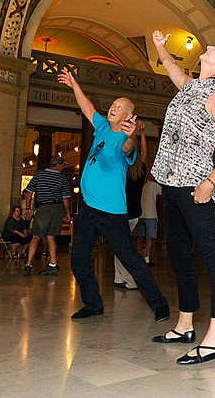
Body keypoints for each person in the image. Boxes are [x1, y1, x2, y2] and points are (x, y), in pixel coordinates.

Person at [150, 31, 215, 366]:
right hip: (171, 186)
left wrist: (210, 183)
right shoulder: (190, 87)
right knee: (179, 257)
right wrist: (161, 47)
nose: (212, 46)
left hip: (196, 189)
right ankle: (185, 325)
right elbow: (170, 66)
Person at [57, 69, 169, 322]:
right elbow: (87, 108)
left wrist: (132, 137)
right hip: (88, 208)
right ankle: (93, 304)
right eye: (112, 105)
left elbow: (129, 150)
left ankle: (159, 303)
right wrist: (74, 84)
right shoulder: (103, 128)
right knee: (78, 256)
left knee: (129, 258)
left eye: (119, 107)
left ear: (129, 116)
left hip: (111, 212)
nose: (112, 108)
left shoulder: (122, 139)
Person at [22, 155, 71, 275]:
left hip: (42, 208)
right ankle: (53, 263)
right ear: (58, 165)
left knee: (36, 236)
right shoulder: (62, 178)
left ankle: (28, 264)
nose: (63, 167)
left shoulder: (39, 175)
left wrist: (28, 209)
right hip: (56, 209)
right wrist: (68, 213)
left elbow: (29, 192)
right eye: (62, 165)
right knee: (51, 235)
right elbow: (65, 198)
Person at [113, 122, 148, 290]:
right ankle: (118, 278)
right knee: (120, 245)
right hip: (135, 213)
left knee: (122, 248)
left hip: (121, 212)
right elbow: (145, 154)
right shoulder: (140, 171)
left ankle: (131, 280)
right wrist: (142, 134)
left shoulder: (122, 169)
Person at [134, 169, 161, 267]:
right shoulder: (153, 186)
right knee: (150, 237)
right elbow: (162, 191)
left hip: (140, 214)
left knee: (139, 237)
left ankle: (139, 256)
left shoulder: (141, 186)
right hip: (151, 215)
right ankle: (147, 258)